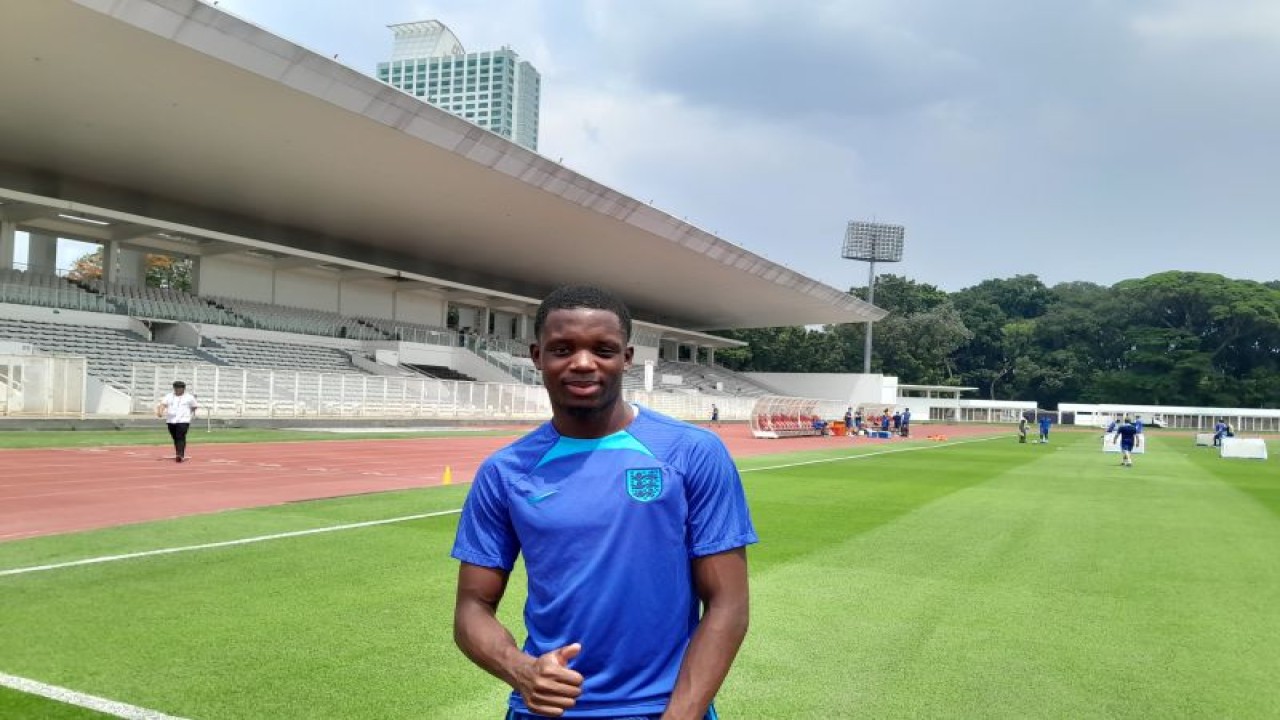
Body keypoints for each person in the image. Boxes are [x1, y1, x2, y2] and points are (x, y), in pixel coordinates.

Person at [451, 285, 756, 720]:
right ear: (537, 356)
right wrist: (520, 670)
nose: (582, 362)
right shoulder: (505, 471)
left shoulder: (692, 452)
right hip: (546, 712)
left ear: (627, 358)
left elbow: (728, 602)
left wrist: (681, 715)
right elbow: (471, 607)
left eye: (603, 349)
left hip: (662, 709)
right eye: (562, 349)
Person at [155, 380, 198, 463]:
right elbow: (163, 404)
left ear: (183, 389)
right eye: (176, 388)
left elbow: (194, 406)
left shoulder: (189, 397)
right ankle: (178, 453)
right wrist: (160, 412)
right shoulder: (169, 396)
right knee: (175, 437)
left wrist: (188, 413)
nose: (178, 390)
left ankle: (180, 455)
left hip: (183, 420)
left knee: (180, 436)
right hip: (171, 420)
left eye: (180, 388)